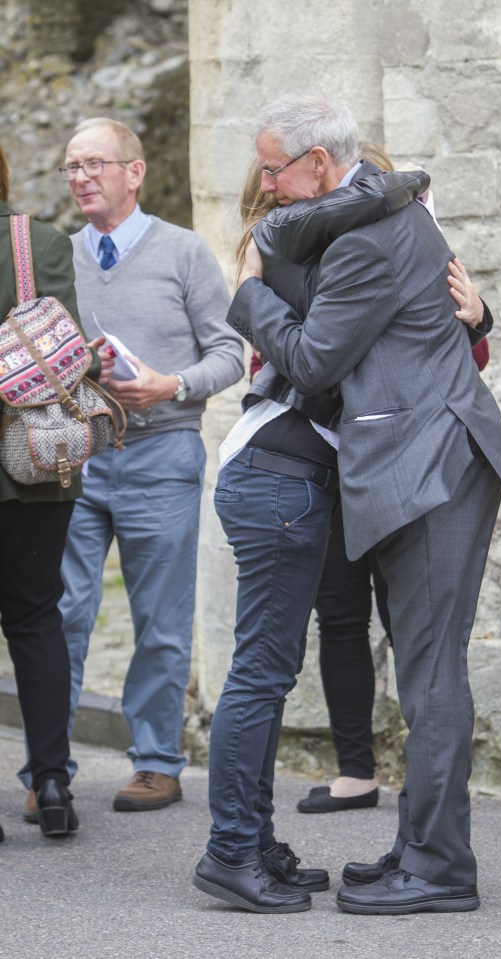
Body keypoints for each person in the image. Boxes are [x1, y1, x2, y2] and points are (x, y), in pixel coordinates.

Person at [224, 93, 501, 915]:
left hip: (431, 465)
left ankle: (438, 867)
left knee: (431, 676)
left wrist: (250, 293)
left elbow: (317, 362)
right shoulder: (379, 210)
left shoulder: (365, 236)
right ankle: (421, 844)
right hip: (427, 462)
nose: (267, 185)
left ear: (320, 165)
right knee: (427, 668)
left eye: (273, 170)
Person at [193, 161, 434, 914]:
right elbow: (314, 355)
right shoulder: (292, 252)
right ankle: (231, 850)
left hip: (288, 478)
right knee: (261, 672)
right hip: (278, 479)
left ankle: (253, 841)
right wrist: (407, 182)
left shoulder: (308, 254)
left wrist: (476, 315)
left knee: (268, 670)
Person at [20, 117, 244, 817]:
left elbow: (231, 353)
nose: (81, 177)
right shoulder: (58, 254)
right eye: (71, 167)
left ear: (134, 172)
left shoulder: (183, 252)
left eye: (95, 164)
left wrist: (168, 385)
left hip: (162, 453)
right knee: (62, 612)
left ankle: (155, 762)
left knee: (161, 617)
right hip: (75, 459)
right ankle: (47, 770)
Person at [0, 141, 99, 836]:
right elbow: (71, 351)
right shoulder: (40, 243)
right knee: (37, 617)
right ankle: (54, 781)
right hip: (34, 460)